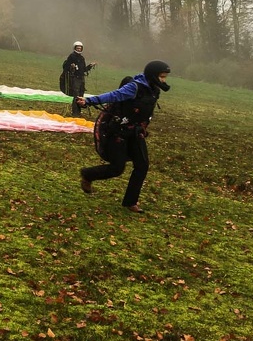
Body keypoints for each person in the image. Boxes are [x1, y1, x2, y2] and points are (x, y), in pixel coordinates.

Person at [76, 60, 171, 213]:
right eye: (161, 76)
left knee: (142, 166)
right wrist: (89, 101)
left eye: (165, 77)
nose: (163, 80)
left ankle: (130, 202)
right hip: (119, 131)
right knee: (117, 168)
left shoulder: (154, 90)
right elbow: (114, 95)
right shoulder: (134, 87)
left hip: (136, 132)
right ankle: (88, 175)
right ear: (153, 75)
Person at [62, 41, 96, 116]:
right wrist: (72, 67)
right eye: (78, 48)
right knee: (76, 96)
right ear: (75, 48)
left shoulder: (82, 58)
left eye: (80, 48)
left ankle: (78, 112)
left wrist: (90, 66)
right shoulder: (72, 56)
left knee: (81, 96)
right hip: (75, 79)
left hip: (81, 79)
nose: (79, 49)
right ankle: (75, 113)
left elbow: (83, 69)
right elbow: (65, 67)